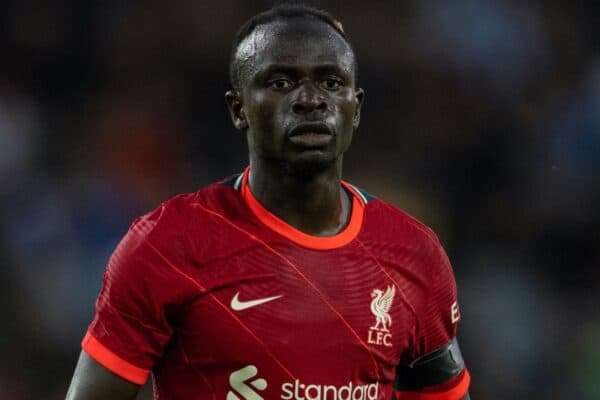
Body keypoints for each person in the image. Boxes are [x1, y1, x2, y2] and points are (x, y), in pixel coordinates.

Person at [66, 3, 471, 400]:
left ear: (356, 108)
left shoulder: (414, 254)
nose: (310, 99)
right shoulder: (167, 246)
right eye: (281, 82)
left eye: (331, 82)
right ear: (238, 108)